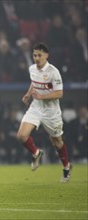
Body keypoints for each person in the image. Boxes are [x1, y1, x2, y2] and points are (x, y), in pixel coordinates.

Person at [16, 42, 72, 183]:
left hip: (51, 112)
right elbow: (34, 82)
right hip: (36, 108)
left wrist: (42, 96)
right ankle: (36, 152)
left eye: (39, 55)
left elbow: (59, 93)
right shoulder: (32, 69)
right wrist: (28, 95)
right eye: (34, 55)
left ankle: (66, 167)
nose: (36, 58)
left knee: (57, 142)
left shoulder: (53, 72)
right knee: (22, 136)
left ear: (46, 55)